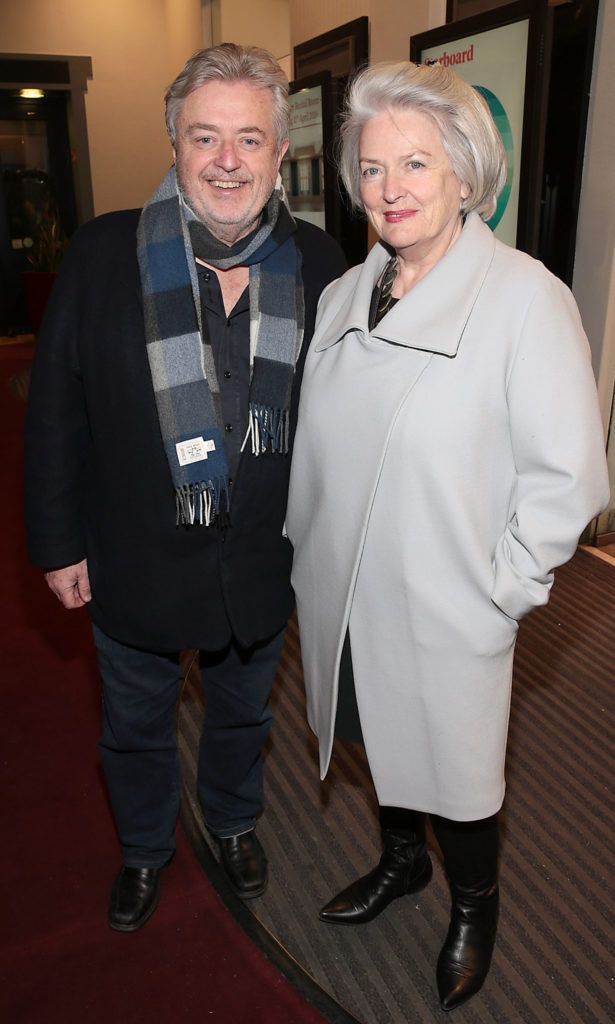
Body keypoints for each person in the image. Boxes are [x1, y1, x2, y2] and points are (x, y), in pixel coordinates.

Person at [285, 61, 609, 1011]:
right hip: (344, 584)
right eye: (373, 168)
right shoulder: (347, 293)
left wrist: (498, 590)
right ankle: (399, 863)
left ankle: (475, 902)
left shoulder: (522, 298)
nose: (391, 189)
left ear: (464, 173)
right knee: (372, 738)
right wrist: (305, 550)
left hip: (446, 597)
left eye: (416, 164)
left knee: (457, 771)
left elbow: (568, 476)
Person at [24, 43, 346, 934]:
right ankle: (143, 849)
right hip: (133, 555)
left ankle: (235, 821)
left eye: (249, 139)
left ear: (282, 152)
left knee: (243, 717)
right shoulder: (100, 255)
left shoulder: (322, 265)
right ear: (174, 144)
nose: (227, 161)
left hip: (259, 560)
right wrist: (57, 545)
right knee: (132, 726)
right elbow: (55, 408)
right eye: (205, 137)